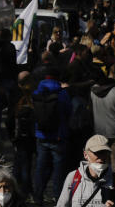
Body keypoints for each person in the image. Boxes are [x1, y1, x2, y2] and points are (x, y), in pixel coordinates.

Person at [54, 135, 115, 207]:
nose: (101, 157)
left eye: (104, 152)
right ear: (86, 155)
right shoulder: (73, 177)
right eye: (97, 152)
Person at [33, 65, 71, 206]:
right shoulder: (62, 93)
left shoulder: (37, 91)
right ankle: (58, 198)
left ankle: (38, 196)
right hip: (58, 136)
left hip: (41, 134)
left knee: (40, 168)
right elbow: (68, 112)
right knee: (58, 171)